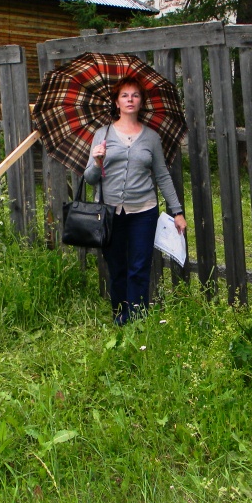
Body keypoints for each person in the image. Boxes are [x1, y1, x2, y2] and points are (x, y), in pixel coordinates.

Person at [84, 77, 187, 325]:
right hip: (110, 213)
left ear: (141, 102)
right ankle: (121, 318)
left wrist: (177, 211)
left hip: (144, 211)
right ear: (116, 102)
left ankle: (137, 320)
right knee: (116, 267)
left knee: (140, 268)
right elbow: (89, 178)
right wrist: (97, 162)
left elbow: (162, 175)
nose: (130, 99)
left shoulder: (151, 137)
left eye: (135, 95)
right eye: (124, 95)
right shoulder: (102, 134)